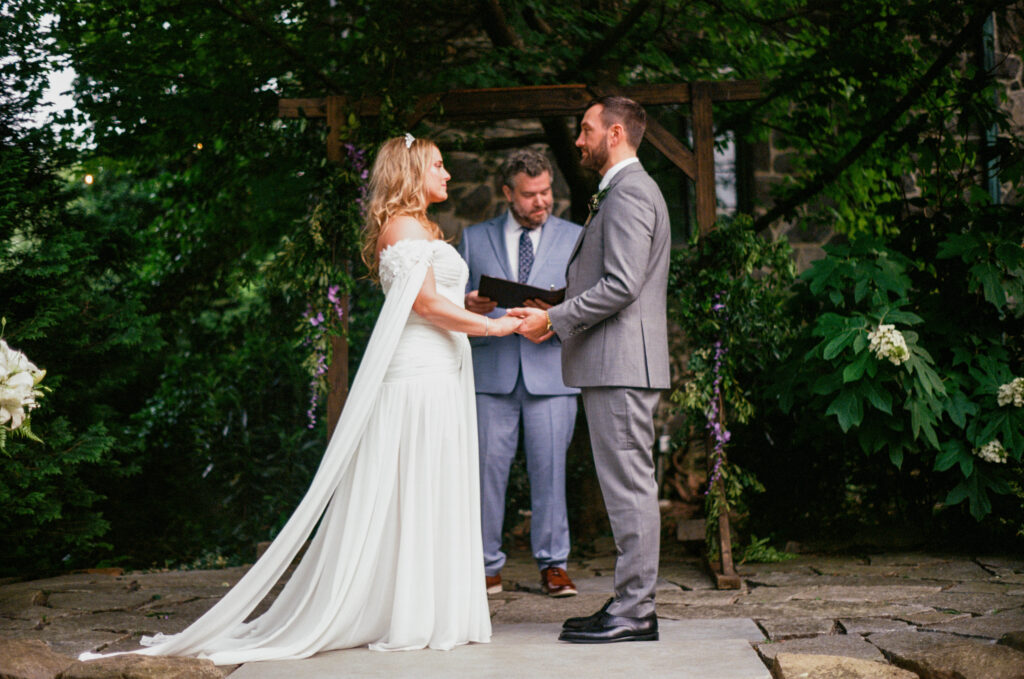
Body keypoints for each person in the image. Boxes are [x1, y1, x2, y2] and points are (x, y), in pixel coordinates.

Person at [80, 135, 520, 665]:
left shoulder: (423, 227)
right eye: (437, 165)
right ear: (409, 172)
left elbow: (436, 296)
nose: (447, 174)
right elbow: (425, 305)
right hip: (418, 375)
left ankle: (427, 605)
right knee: (415, 481)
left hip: (442, 370)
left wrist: (471, 305)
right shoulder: (402, 227)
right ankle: (410, 610)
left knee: (431, 481)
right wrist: (493, 330)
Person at [510, 96, 670, 644]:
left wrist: (553, 319)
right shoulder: (623, 190)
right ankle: (631, 604)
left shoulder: (630, 192)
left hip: (622, 364)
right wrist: (552, 302)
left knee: (629, 490)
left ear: (616, 133)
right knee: (627, 487)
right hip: (614, 363)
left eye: (586, 129)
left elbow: (623, 285)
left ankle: (634, 611)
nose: (578, 140)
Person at [457, 149, 583, 598]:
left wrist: (555, 316)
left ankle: (554, 566)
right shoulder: (473, 238)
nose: (541, 202)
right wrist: (469, 304)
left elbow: (588, 303)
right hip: (491, 374)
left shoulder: (576, 237)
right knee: (487, 474)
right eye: (530, 195)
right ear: (508, 193)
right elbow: (449, 303)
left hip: (552, 373)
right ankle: (486, 567)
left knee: (551, 474)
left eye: (546, 192)